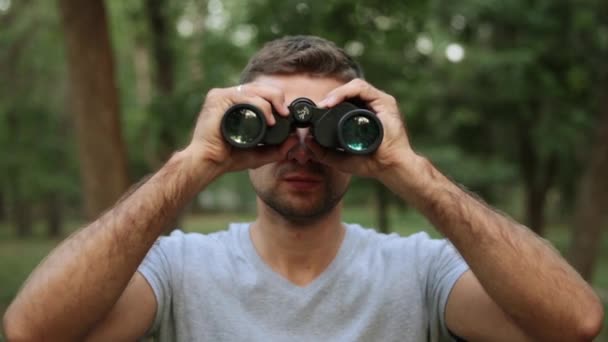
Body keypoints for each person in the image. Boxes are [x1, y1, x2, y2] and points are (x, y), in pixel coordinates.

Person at [2, 35, 603, 341]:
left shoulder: (421, 270)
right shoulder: (177, 269)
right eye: (275, 120)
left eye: (329, 127)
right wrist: (191, 162)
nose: (301, 144)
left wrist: (412, 170)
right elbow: (32, 332)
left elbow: (574, 324)